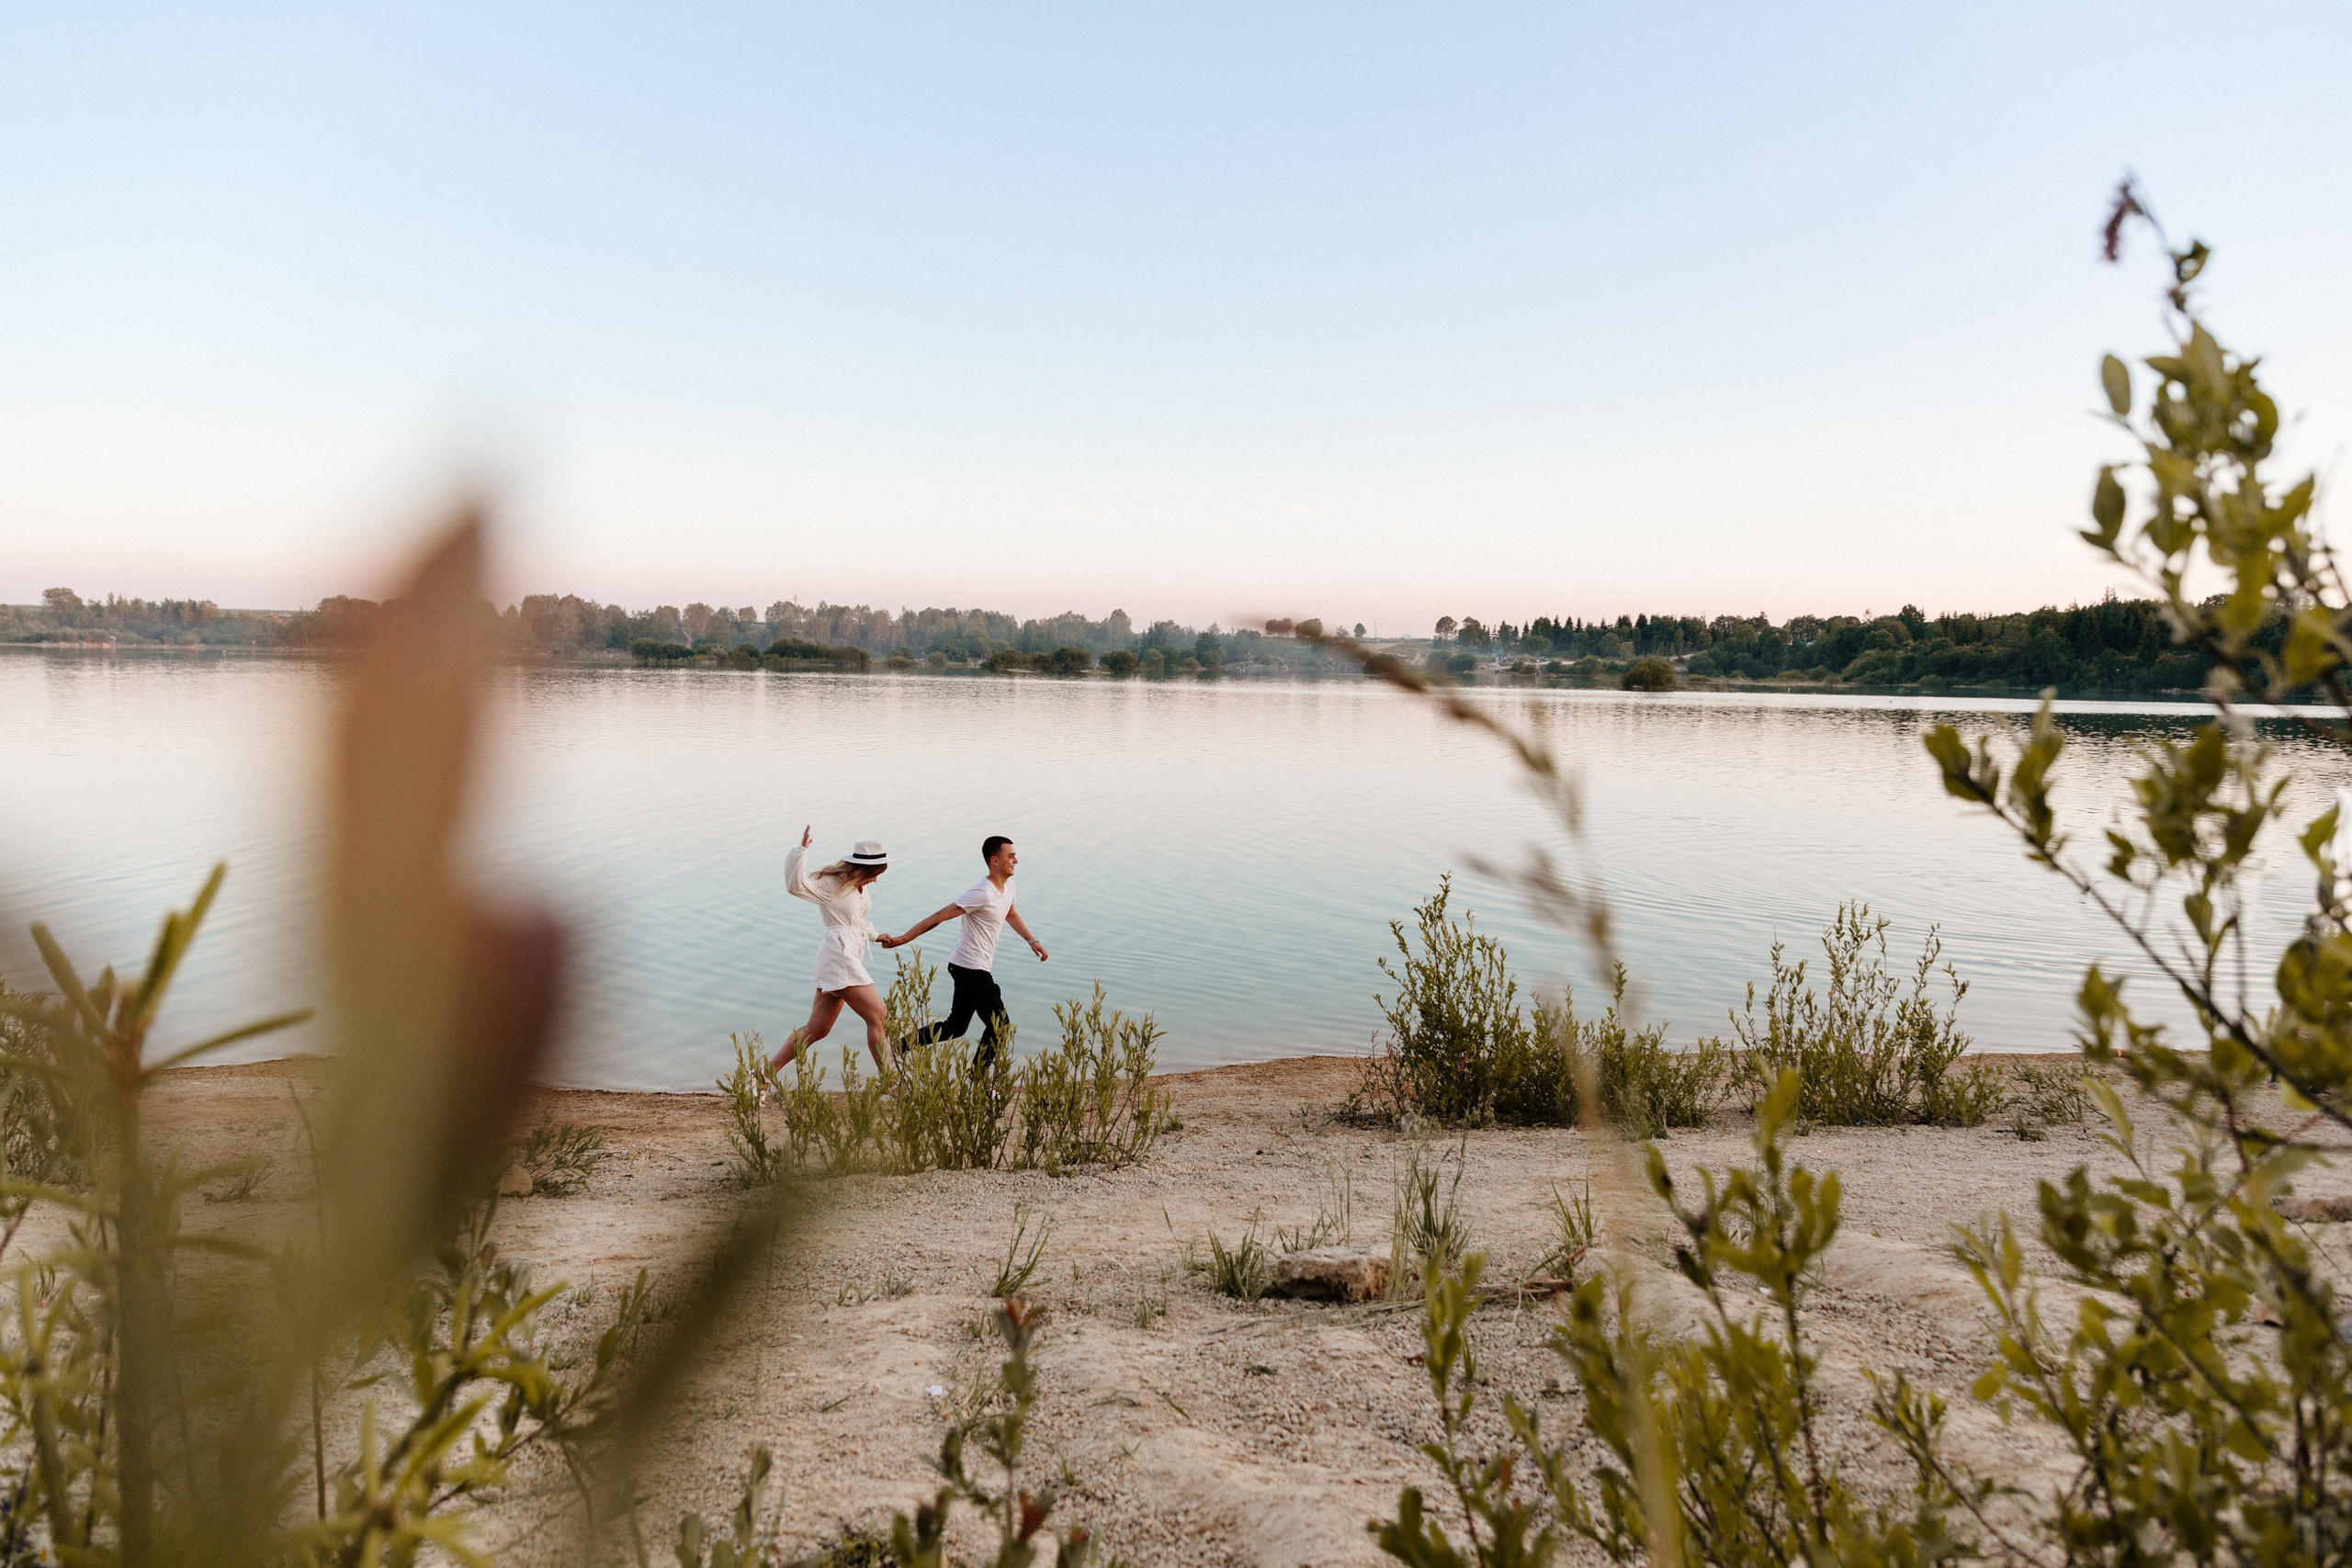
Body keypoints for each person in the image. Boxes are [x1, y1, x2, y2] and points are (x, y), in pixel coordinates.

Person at [879, 834, 1046, 1065]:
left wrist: (1031, 940)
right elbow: (939, 916)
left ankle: (897, 1047)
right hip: (970, 967)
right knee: (1000, 1027)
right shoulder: (981, 893)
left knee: (956, 1027)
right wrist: (903, 938)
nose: (1016, 860)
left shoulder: (1008, 888)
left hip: (967, 965)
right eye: (1011, 856)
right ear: (995, 860)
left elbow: (1011, 914)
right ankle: (976, 1083)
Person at [769, 827, 895, 1077]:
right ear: (865, 868)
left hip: (844, 958)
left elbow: (854, 921)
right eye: (876, 873)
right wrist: (800, 852)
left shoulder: (860, 886)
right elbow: (795, 886)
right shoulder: (831, 884)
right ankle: (893, 1085)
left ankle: (762, 1076)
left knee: (817, 1030)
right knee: (880, 1018)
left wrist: (875, 936)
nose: (877, 879)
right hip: (839, 957)